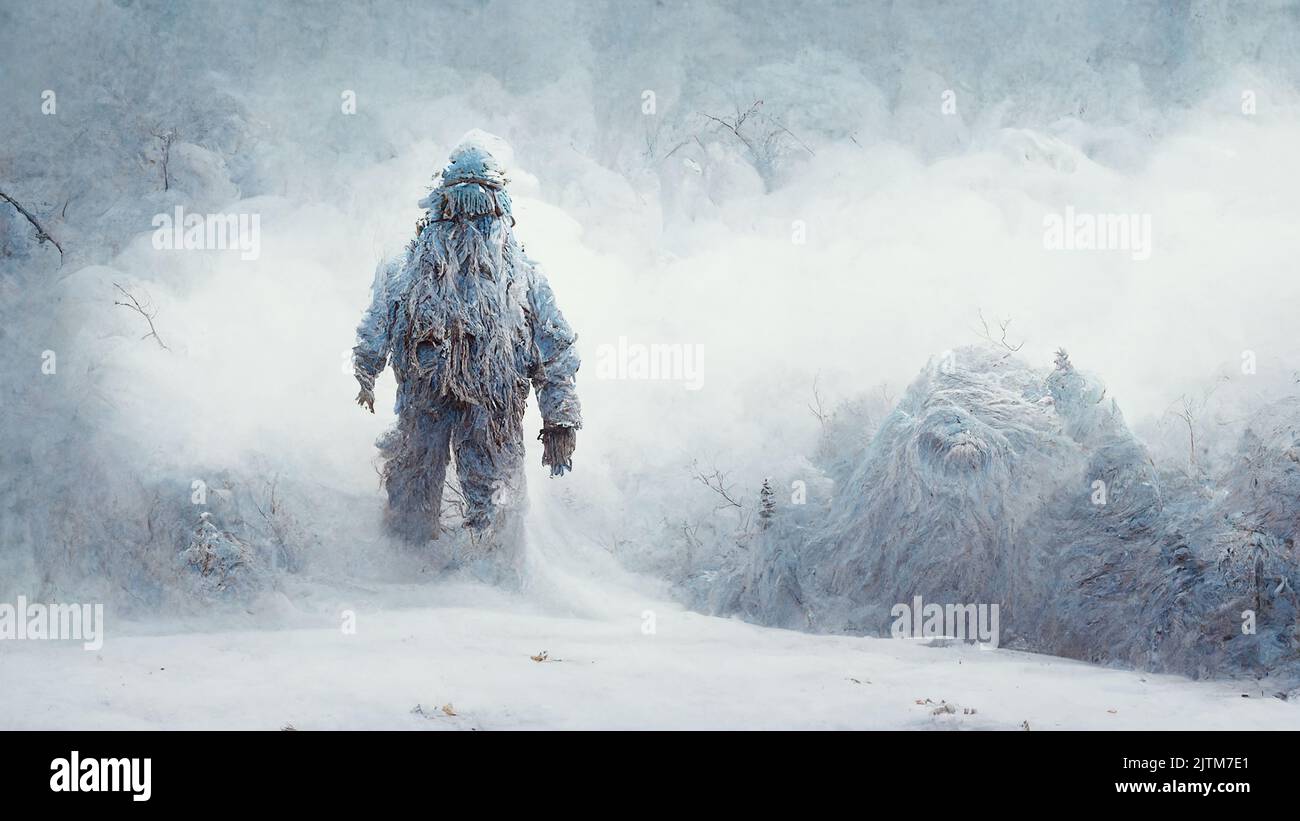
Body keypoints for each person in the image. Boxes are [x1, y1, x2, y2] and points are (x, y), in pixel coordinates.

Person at [352, 135, 581, 546]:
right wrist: (366, 367)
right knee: (420, 486)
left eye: (480, 207)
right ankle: (408, 563)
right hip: (428, 401)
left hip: (492, 406)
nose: (469, 221)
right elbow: (379, 322)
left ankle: (491, 566)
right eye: (460, 207)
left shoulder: (521, 276)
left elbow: (554, 346)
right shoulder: (409, 269)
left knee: (493, 498)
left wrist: (560, 417)